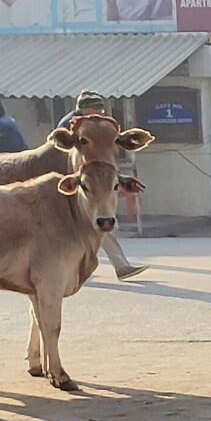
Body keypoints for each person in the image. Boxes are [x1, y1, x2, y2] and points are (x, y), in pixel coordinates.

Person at [73, 91, 147, 280]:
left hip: (100, 182)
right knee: (100, 224)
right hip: (81, 186)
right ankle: (119, 266)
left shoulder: (100, 127)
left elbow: (104, 157)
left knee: (99, 225)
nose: (100, 111)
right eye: (96, 107)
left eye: (101, 107)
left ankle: (113, 266)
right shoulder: (72, 126)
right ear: (84, 108)